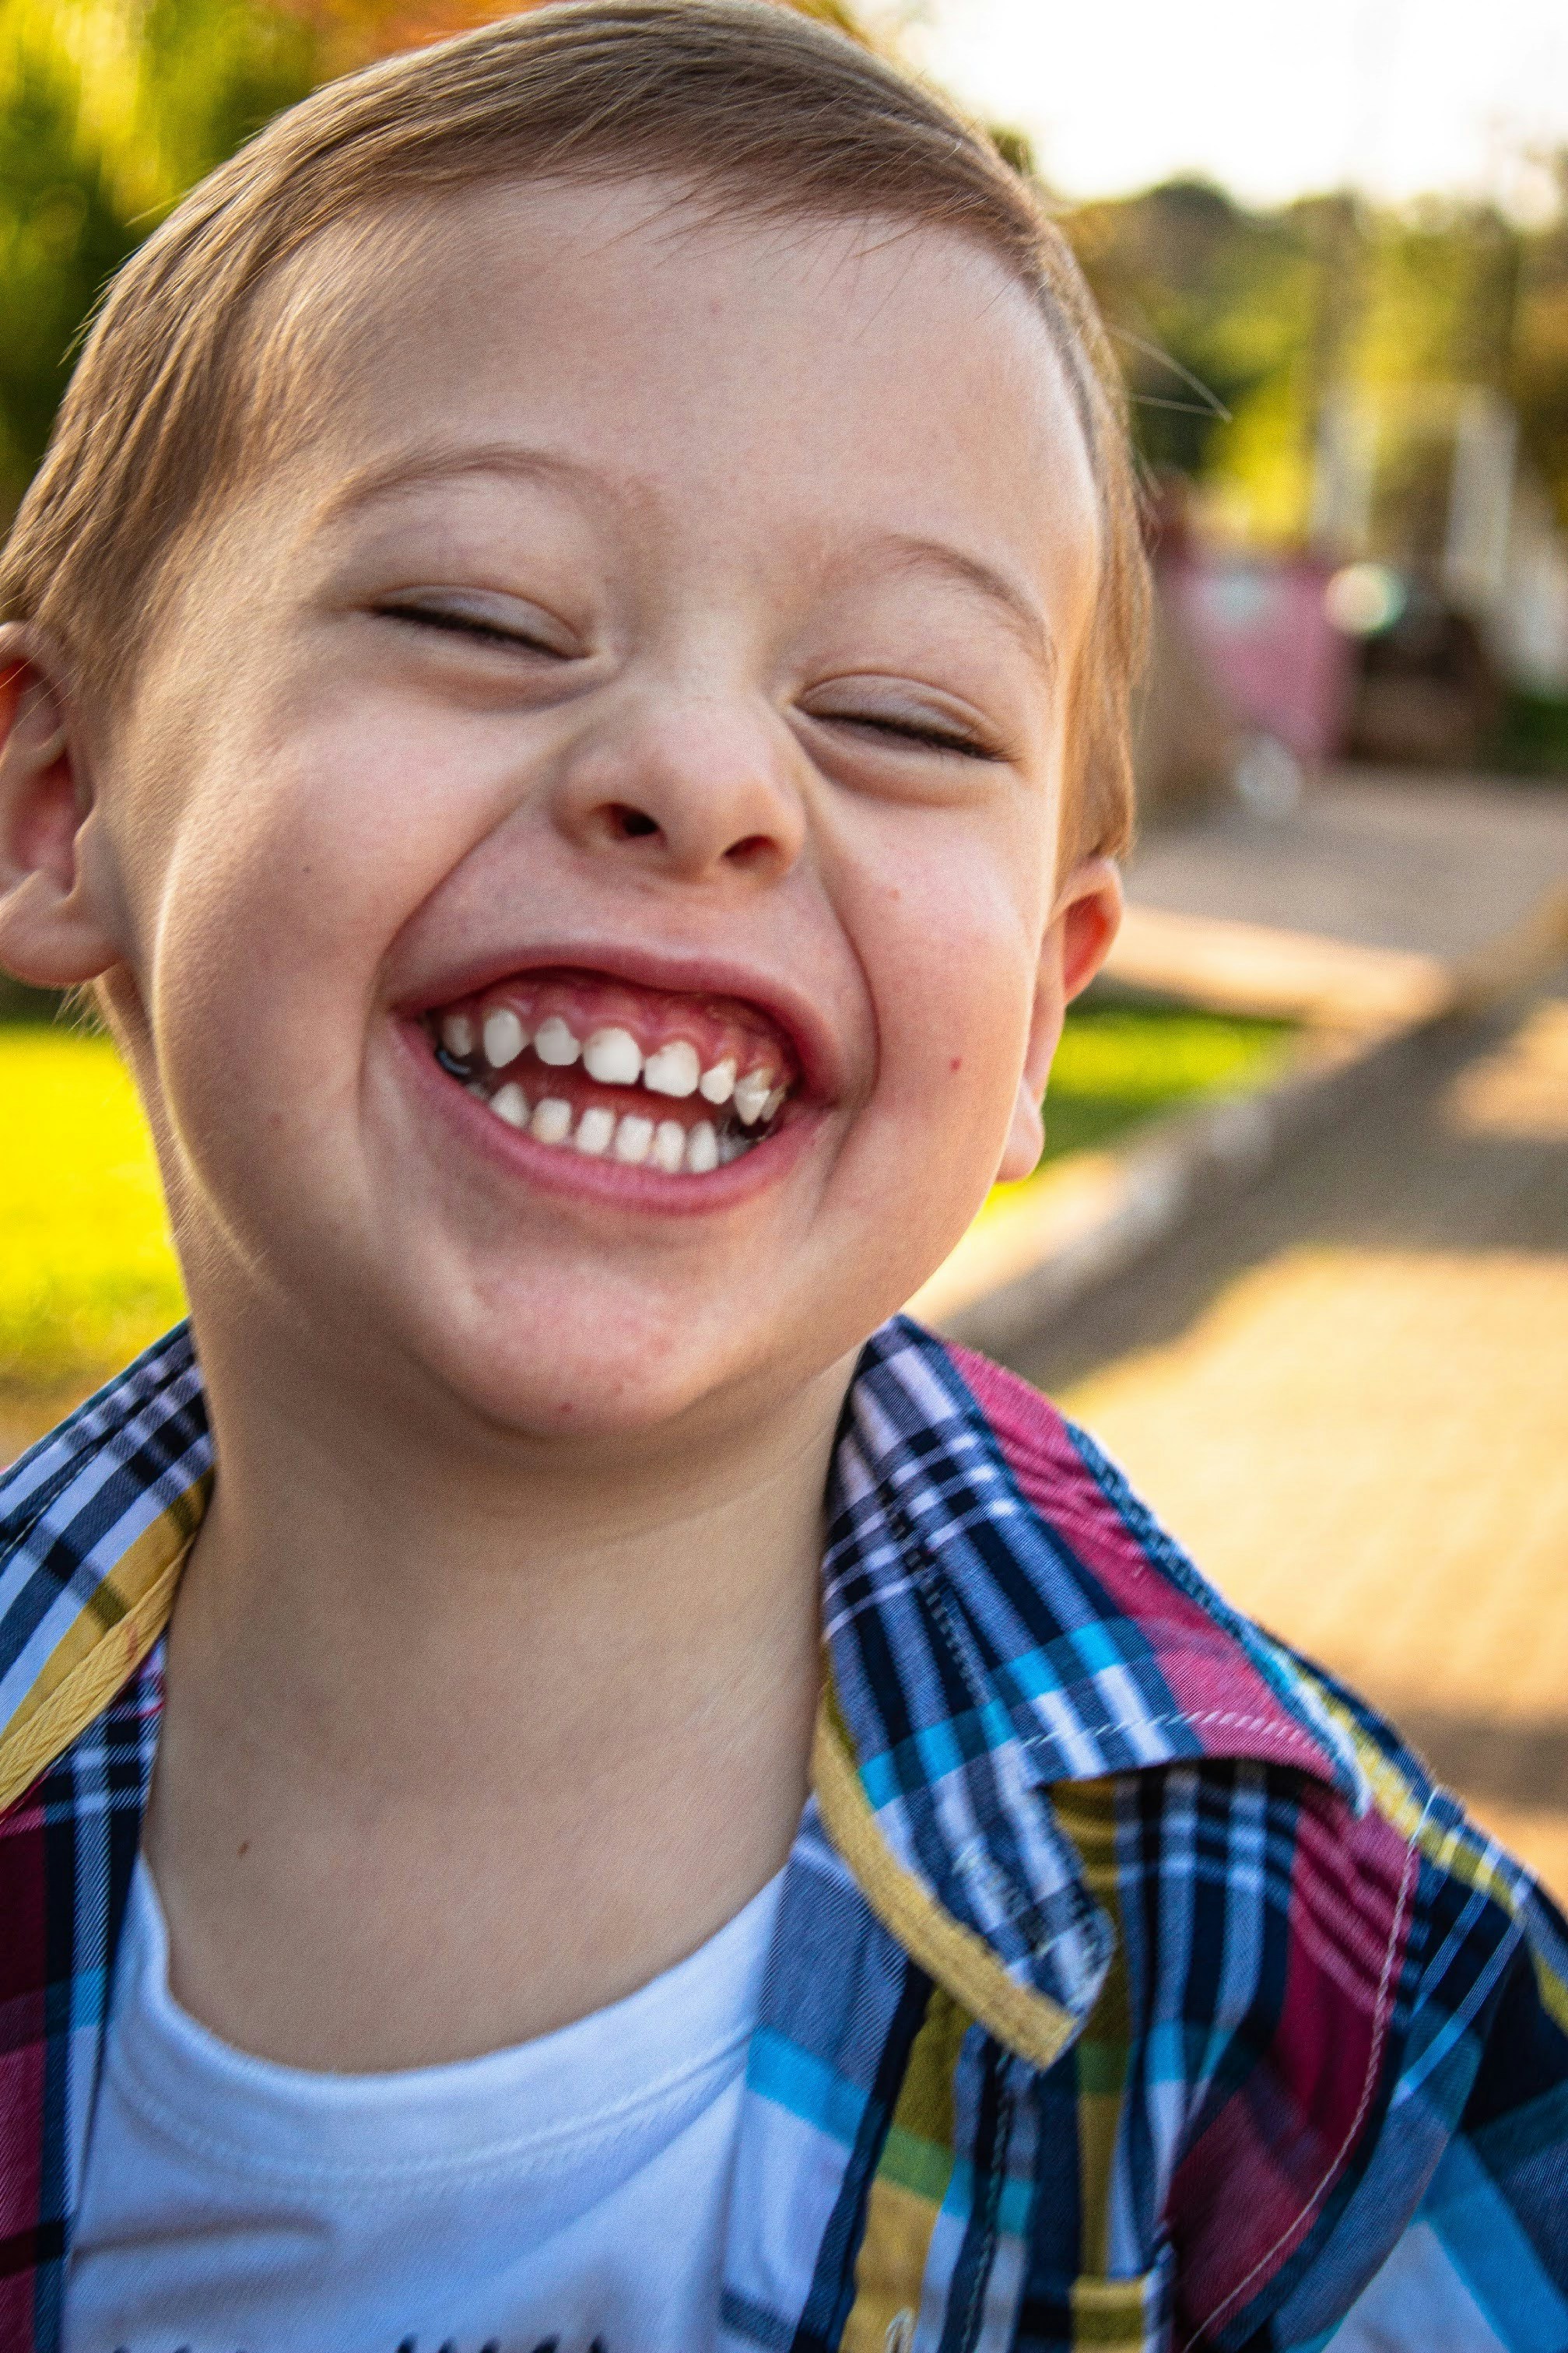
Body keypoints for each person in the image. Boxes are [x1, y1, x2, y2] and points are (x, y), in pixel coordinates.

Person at [0, 6, 1563, 2348]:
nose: (704, 773)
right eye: (478, 614)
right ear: (58, 810)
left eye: (906, 716)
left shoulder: (1317, 2022)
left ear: (1039, 1013)